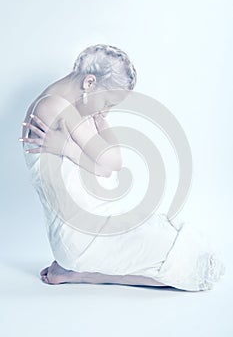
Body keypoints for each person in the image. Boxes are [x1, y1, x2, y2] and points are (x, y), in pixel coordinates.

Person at [19, 44, 225, 290]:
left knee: (171, 243)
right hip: (83, 238)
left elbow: (111, 164)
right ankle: (77, 272)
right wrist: (71, 149)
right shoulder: (54, 106)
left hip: (89, 227)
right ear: (89, 82)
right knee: (190, 262)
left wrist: (96, 125)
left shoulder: (68, 104)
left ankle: (75, 271)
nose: (106, 109)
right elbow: (109, 164)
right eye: (107, 101)